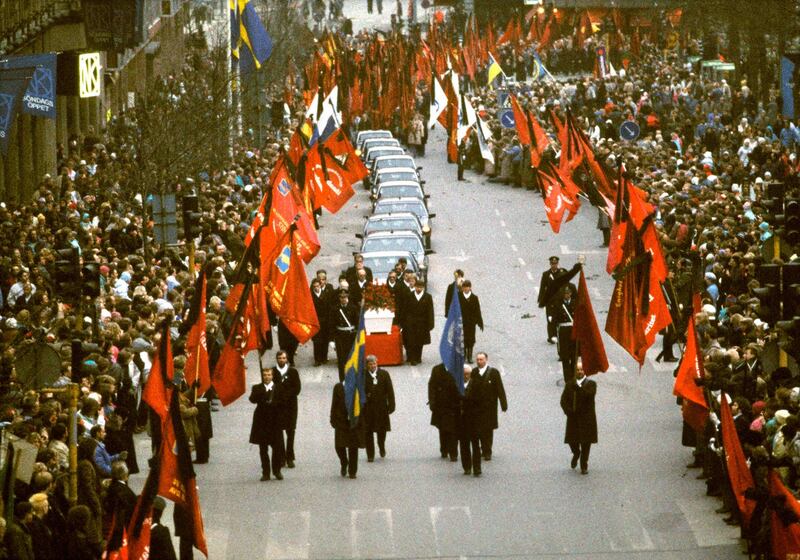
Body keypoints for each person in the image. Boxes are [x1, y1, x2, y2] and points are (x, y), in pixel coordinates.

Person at [559, 361, 597, 475]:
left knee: (586, 443)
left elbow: (588, 396)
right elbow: (563, 400)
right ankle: (576, 453)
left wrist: (578, 389)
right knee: (572, 441)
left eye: (582, 369)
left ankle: (584, 465)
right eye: (577, 370)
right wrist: (568, 411)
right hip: (573, 418)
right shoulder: (570, 384)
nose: (580, 372)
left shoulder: (591, 384)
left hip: (587, 419)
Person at [248, 369, 285, 481]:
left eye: (269, 375)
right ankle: (266, 472)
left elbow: (284, 403)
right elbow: (252, 399)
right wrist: (262, 393)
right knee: (263, 449)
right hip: (262, 422)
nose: (267, 377)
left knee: (277, 448)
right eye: (264, 375)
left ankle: (277, 470)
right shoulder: (257, 388)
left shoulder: (279, 388)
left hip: (275, 421)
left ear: (272, 376)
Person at [473, 352, 507, 460]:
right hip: (476, 407)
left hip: (489, 407)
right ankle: (482, 448)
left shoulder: (493, 373)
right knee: (478, 429)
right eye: (478, 360)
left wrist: (503, 403)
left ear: (486, 360)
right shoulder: (473, 372)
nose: (479, 362)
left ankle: (487, 451)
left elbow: (499, 389)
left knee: (488, 430)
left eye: (481, 359)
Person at [272, 350, 301, 468]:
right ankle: (281, 457)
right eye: (279, 358)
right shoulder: (272, 372)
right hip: (277, 407)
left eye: (284, 358)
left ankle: (290, 457)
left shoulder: (293, 372)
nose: (281, 360)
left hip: (291, 406)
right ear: (276, 359)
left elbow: (297, 389)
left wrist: (286, 395)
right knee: (278, 432)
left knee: (290, 431)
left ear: (287, 359)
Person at [363, 355, 395, 462]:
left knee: (382, 431)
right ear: (367, 365)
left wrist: (391, 405)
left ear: (377, 363)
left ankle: (381, 446)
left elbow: (390, 390)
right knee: (368, 432)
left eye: (374, 363)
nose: (372, 366)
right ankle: (370, 454)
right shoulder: (362, 376)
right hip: (368, 409)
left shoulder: (384, 374)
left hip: (381, 408)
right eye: (370, 364)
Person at [330, 379, 363, 479]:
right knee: (339, 446)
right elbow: (334, 404)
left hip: (354, 421)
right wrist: (332, 418)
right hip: (341, 421)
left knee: (353, 446)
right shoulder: (338, 387)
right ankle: (344, 462)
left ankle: (352, 471)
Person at [428, 363, 460, 461]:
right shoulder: (437, 369)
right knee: (442, 429)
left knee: (453, 430)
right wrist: (432, 402)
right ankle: (444, 449)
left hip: (454, 405)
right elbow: (432, 386)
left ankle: (453, 453)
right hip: (440, 405)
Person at [400, 279, 434, 365]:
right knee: (411, 341)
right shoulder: (409, 295)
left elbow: (430, 311)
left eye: (421, 287)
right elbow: (404, 309)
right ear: (415, 287)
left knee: (420, 341)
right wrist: (403, 322)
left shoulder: (428, 297)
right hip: (410, 322)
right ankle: (412, 358)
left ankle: (418, 357)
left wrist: (431, 323)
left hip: (422, 323)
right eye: (417, 287)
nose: (419, 289)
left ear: (423, 288)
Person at [459, 365, 485, 477]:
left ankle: (477, 468)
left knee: (475, 445)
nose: (465, 376)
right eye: (463, 374)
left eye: (467, 374)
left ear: (470, 374)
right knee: (464, 445)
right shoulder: (457, 385)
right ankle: (467, 467)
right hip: (461, 421)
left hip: (474, 420)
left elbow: (481, 403)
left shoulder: (477, 385)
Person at [330, 290, 359, 380]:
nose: (343, 299)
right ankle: (342, 379)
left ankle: (352, 378)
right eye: (341, 297)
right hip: (340, 337)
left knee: (352, 358)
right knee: (341, 360)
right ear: (339, 298)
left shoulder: (353, 308)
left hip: (351, 336)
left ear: (348, 297)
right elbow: (331, 325)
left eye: (345, 297)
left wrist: (358, 337)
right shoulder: (335, 309)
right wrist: (331, 340)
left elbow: (357, 323)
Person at [538, 256, 566, 343]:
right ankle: (551, 336)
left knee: (561, 318)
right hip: (550, 301)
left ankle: (560, 335)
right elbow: (543, 287)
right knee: (550, 319)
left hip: (560, 300)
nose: (554, 265)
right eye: (552, 264)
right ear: (550, 264)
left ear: (558, 264)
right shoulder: (546, 274)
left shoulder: (562, 272)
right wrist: (541, 300)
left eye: (555, 264)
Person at [555, 285, 577, 383]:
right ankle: (567, 379)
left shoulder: (575, 303)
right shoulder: (558, 305)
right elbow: (555, 321)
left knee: (574, 356)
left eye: (568, 293)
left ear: (571, 294)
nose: (567, 295)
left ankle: (573, 376)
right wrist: (553, 334)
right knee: (565, 357)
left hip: (573, 330)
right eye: (565, 294)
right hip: (563, 331)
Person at [460, 280, 484, 364]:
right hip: (462, 322)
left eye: (468, 287)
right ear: (462, 288)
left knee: (471, 339)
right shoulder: (459, 297)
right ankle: (464, 355)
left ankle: (469, 356)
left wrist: (480, 322)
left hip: (471, 322)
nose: (466, 289)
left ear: (470, 288)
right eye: (464, 287)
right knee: (463, 338)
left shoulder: (474, 298)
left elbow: (477, 310)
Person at [311, 277, 332, 366]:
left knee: (325, 340)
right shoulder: (310, 296)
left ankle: (324, 357)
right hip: (316, 321)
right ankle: (317, 359)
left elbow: (329, 308)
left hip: (325, 321)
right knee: (316, 341)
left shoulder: (326, 295)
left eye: (318, 286)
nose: (316, 288)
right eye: (314, 286)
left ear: (320, 285)